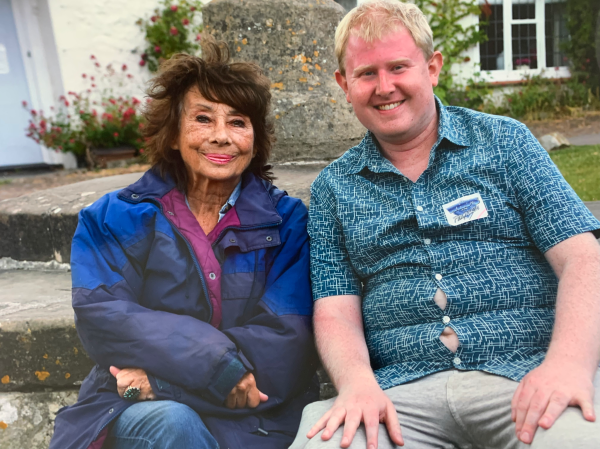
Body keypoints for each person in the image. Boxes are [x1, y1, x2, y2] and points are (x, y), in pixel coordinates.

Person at [289, 1, 600, 448]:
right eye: (367, 73)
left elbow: (582, 258)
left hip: (527, 376)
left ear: (432, 68)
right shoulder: (334, 188)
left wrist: (568, 365)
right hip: (398, 395)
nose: (385, 87)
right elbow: (335, 306)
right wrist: (356, 383)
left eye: (398, 67)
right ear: (344, 85)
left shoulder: (505, 142)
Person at [49, 39, 318, 449]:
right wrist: (216, 366)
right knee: (173, 423)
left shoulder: (288, 222)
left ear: (255, 139)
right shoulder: (112, 218)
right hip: (134, 407)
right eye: (203, 119)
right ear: (174, 134)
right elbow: (104, 316)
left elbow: (288, 338)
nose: (221, 137)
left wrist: (164, 381)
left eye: (238, 122)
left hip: (256, 414)